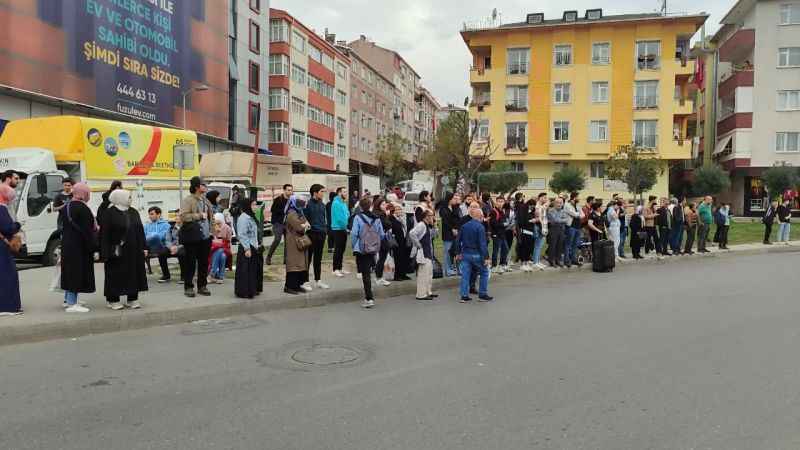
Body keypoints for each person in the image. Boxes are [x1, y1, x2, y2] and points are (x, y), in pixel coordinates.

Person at [101, 189, 148, 310]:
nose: (131, 199)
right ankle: (113, 299)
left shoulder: (133, 212)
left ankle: (132, 298)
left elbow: (140, 230)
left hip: (134, 250)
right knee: (115, 273)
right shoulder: (109, 213)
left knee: (134, 273)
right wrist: (104, 251)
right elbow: (104, 234)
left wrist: (144, 247)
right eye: (129, 197)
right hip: (116, 250)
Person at [58, 182, 96, 313]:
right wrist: (93, 246)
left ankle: (69, 299)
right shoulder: (82, 208)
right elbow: (88, 230)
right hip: (79, 245)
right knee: (76, 272)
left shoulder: (67, 206)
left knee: (70, 271)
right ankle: (72, 304)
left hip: (68, 243)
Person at [180, 176, 213, 298]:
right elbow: (183, 216)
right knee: (191, 263)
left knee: (204, 263)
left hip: (205, 237)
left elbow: (210, 218)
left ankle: (202, 286)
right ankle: (188, 287)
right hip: (192, 237)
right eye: (203, 184)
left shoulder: (205, 200)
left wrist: (212, 232)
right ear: (197, 187)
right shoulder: (188, 200)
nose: (205, 186)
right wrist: (199, 216)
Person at [350, 197, 385, 308]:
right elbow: (382, 234)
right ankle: (370, 291)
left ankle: (369, 297)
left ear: (360, 207)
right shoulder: (377, 218)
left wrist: (354, 245)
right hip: (373, 247)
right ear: (370, 206)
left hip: (362, 248)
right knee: (368, 271)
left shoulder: (358, 218)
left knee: (365, 274)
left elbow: (354, 233)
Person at [456, 207, 493, 303]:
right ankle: (482, 294)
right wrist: (486, 257)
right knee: (484, 272)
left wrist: (458, 253)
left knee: (465, 275)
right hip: (476, 254)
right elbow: (482, 244)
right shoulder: (480, 227)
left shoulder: (464, 226)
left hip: (465, 253)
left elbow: (458, 240)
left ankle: (464, 296)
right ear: (480, 216)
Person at [0, 184, 23, 316]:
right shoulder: (2, 209)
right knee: (7, 275)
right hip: (2, 248)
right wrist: (18, 225)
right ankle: (7, 307)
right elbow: (8, 228)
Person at [303, 184, 329, 290]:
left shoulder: (322, 204)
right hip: (311, 234)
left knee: (318, 259)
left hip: (321, 233)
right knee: (308, 258)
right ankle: (305, 281)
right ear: (315, 193)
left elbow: (323, 218)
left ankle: (318, 280)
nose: (323, 193)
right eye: (322, 191)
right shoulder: (307, 205)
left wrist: (325, 230)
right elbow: (304, 219)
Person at [284, 195, 311, 295]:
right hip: (293, 242)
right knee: (294, 265)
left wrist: (304, 225)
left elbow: (306, 224)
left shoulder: (299, 212)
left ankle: (297, 285)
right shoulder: (291, 213)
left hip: (299, 241)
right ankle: (289, 286)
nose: (303, 204)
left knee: (300, 265)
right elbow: (299, 227)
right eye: (300, 202)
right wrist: (304, 225)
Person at [234, 198, 260, 299]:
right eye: (253, 205)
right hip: (247, 247)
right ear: (248, 206)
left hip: (253, 246)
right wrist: (247, 249)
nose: (255, 207)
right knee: (245, 271)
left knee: (251, 270)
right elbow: (242, 234)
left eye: (255, 205)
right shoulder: (243, 218)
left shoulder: (251, 216)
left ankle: (251, 290)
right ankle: (243, 291)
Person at [409, 209, 437, 300]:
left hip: (428, 253)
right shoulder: (421, 225)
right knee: (423, 274)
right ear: (426, 217)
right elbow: (412, 233)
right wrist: (418, 244)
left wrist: (434, 226)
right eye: (431, 216)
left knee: (429, 274)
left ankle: (428, 291)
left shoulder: (427, 226)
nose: (433, 217)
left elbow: (433, 236)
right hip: (423, 253)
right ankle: (421, 294)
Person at [144, 206, 172, 282]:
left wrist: (151, 236)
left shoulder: (166, 225)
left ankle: (166, 275)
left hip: (160, 246)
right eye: (149, 214)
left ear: (158, 214)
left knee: (156, 237)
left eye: (152, 214)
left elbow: (161, 237)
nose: (150, 216)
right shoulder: (146, 226)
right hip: (148, 247)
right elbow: (142, 237)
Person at [266, 184, 292, 265]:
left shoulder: (292, 201)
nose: (290, 192)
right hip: (278, 223)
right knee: (277, 239)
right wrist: (283, 212)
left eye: (291, 190)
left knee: (288, 242)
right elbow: (273, 210)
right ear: (284, 190)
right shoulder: (278, 199)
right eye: (288, 190)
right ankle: (269, 257)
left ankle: (286, 259)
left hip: (288, 223)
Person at [439, 192, 461, 277]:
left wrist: (456, 228)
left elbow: (457, 219)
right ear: (449, 199)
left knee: (455, 251)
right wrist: (452, 229)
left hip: (455, 232)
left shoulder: (454, 207)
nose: (455, 200)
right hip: (447, 233)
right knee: (447, 251)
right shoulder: (443, 209)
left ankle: (453, 268)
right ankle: (447, 270)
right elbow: (446, 221)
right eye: (453, 198)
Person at [330, 187, 350, 277]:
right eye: (344, 192)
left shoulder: (343, 203)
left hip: (344, 229)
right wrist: (345, 227)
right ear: (339, 193)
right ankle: (335, 269)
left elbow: (347, 214)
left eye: (346, 192)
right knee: (338, 249)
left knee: (342, 249)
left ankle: (340, 267)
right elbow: (339, 218)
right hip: (338, 229)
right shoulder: (336, 203)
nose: (346, 193)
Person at [389, 202, 411, 281]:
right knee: (398, 258)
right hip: (397, 242)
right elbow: (391, 230)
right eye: (397, 209)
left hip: (403, 241)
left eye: (400, 209)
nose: (399, 211)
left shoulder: (402, 218)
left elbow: (405, 228)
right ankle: (397, 275)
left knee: (404, 258)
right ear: (394, 210)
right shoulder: (392, 218)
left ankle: (403, 274)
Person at [373, 198, 393, 286]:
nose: (385, 206)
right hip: (381, 238)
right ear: (378, 205)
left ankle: (379, 276)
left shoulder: (378, 214)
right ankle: (379, 277)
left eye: (385, 204)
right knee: (382, 258)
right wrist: (386, 215)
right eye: (383, 205)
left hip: (380, 237)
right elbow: (387, 224)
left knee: (381, 258)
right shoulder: (380, 215)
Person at [209, 213, 233, 284]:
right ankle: (220, 276)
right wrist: (215, 232)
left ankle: (212, 273)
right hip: (214, 248)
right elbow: (212, 239)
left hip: (225, 248)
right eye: (215, 221)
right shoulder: (213, 227)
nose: (216, 223)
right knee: (222, 256)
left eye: (218, 222)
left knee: (221, 252)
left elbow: (227, 241)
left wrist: (220, 231)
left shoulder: (227, 228)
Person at [489, 196, 510, 273]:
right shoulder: (493, 211)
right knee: (496, 250)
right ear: (496, 202)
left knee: (505, 249)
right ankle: (494, 266)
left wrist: (506, 224)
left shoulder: (502, 211)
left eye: (502, 201)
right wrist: (504, 224)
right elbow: (493, 223)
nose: (500, 203)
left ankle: (502, 264)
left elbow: (504, 221)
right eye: (499, 201)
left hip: (502, 234)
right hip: (496, 234)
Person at [547, 197, 568, 267]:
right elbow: (554, 220)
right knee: (553, 245)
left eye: (560, 203)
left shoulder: (563, 211)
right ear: (554, 203)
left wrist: (560, 220)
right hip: (553, 229)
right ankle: (551, 260)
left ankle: (558, 260)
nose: (559, 204)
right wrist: (561, 220)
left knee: (560, 245)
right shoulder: (551, 210)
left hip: (561, 229)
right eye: (557, 203)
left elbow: (566, 220)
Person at [563, 193, 583, 267]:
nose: (579, 198)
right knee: (568, 244)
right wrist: (578, 214)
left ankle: (573, 259)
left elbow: (583, 214)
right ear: (574, 197)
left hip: (578, 227)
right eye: (578, 197)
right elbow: (574, 214)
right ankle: (566, 260)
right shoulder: (567, 205)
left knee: (575, 244)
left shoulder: (578, 205)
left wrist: (578, 214)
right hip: (570, 226)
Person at [517, 198, 536, 271]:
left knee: (529, 248)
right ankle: (522, 263)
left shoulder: (531, 212)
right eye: (531, 206)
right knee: (523, 248)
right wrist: (531, 221)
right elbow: (522, 222)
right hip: (524, 232)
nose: (532, 207)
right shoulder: (523, 211)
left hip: (530, 232)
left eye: (533, 206)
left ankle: (527, 262)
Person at [532, 193, 549, 270]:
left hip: (543, 227)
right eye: (544, 197)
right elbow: (538, 217)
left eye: (546, 198)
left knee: (540, 245)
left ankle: (538, 261)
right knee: (537, 245)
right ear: (540, 198)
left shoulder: (542, 206)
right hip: (539, 226)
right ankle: (535, 262)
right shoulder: (537, 206)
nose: (546, 199)